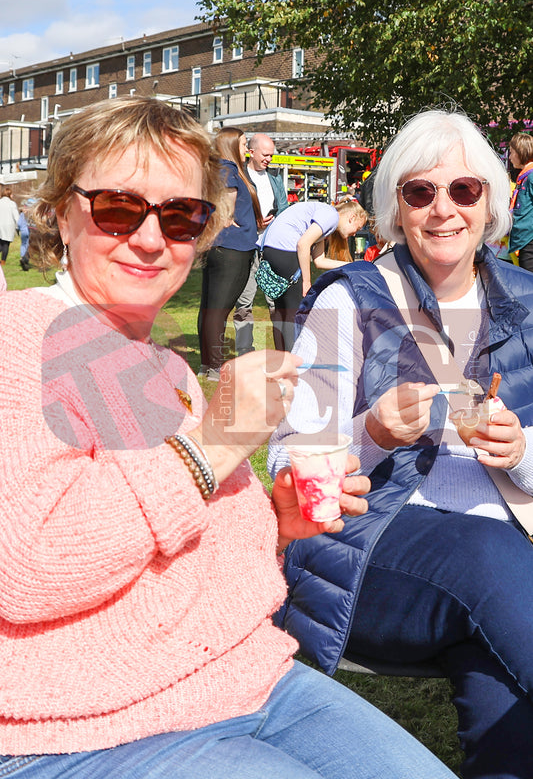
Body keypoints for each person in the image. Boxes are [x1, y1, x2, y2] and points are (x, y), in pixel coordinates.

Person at [0, 96, 457, 779]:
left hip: (249, 677)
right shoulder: (20, 337)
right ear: (63, 211)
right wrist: (214, 445)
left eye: (181, 215)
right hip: (87, 725)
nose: (152, 239)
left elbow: (171, 536)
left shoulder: (162, 366)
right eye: (119, 209)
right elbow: (28, 567)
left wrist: (276, 521)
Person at [269, 108, 533, 779]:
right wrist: (371, 434)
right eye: (419, 192)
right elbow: (289, 455)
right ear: (395, 206)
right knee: (483, 549)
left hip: (509, 576)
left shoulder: (527, 303)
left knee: (509, 701)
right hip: (372, 553)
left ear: (491, 203)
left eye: (463, 190)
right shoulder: (349, 300)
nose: (442, 209)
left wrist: (521, 452)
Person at [197, 126, 261, 381]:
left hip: (226, 247)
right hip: (232, 248)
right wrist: (226, 220)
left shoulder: (224, 170)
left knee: (211, 308)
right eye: (245, 144)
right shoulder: (228, 169)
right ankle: (214, 366)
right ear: (231, 145)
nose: (247, 149)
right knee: (218, 310)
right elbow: (225, 210)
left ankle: (207, 365)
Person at [261, 199, 363, 351]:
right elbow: (303, 244)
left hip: (272, 249)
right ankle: (292, 361)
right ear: (352, 217)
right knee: (293, 312)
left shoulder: (325, 220)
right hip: (286, 250)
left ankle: (281, 360)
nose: (354, 234)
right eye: (358, 228)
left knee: (282, 311)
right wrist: (306, 281)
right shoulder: (331, 216)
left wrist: (353, 265)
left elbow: (319, 261)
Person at [233, 133, 289, 356]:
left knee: (275, 302)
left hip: (270, 249)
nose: (269, 159)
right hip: (247, 248)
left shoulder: (275, 180)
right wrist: (253, 223)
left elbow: (284, 210)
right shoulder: (240, 177)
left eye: (271, 155)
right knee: (244, 302)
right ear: (251, 152)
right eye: (265, 155)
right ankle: (244, 351)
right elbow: (232, 212)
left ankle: (282, 350)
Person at [507, 131, 533, 271]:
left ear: (521, 152)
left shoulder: (531, 176)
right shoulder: (524, 177)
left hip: (529, 239)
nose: (510, 157)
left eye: (512, 152)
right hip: (524, 240)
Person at [0, 185, 19, 266]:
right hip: (8, 226)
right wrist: (18, 226)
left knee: (0, 242)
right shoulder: (12, 204)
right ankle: (3, 261)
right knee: (6, 244)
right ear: (9, 194)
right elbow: (16, 216)